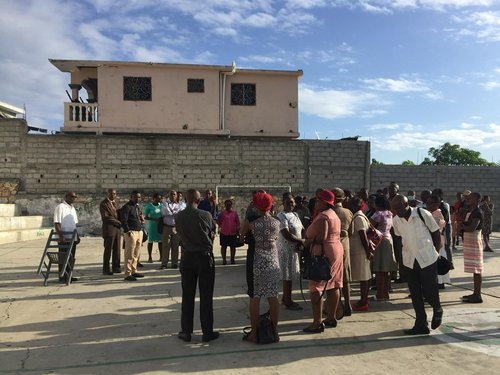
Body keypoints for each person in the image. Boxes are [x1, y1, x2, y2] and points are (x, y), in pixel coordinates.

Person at [391, 194, 443, 335]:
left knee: (429, 290)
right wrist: (400, 261)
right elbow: (398, 239)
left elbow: (436, 233)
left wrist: (436, 254)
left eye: (399, 208)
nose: (396, 211)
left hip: (427, 258)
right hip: (409, 260)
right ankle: (421, 323)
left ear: (406, 205)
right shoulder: (396, 220)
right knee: (415, 293)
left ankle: (437, 308)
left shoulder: (422, 214)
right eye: (394, 209)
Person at [174, 189, 218, 343]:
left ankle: (186, 331)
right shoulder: (205, 215)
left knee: (187, 296)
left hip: (187, 256)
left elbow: (179, 234)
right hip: (204, 257)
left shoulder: (178, 216)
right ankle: (207, 332)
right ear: (198, 200)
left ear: (185, 200)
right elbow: (212, 232)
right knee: (206, 296)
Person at [240, 192, 281, 343]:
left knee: (255, 297)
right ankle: (275, 332)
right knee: (273, 297)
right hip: (272, 261)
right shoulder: (276, 221)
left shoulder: (251, 221)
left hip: (255, 260)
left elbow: (241, 237)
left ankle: (254, 334)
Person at [302, 189, 343, 333]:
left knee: (316, 286)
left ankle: (317, 322)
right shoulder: (333, 215)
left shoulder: (323, 216)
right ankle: (331, 317)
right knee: (333, 285)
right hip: (335, 249)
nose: (316, 203)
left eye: (318, 200)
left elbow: (321, 238)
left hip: (324, 253)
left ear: (324, 202)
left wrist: (307, 241)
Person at [277, 194, 304, 310]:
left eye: (292, 202)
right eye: (287, 202)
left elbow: (301, 230)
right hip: (285, 250)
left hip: (294, 250)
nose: (290, 204)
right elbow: (286, 234)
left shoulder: (295, 214)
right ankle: (288, 301)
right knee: (287, 276)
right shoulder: (281, 216)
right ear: (283, 203)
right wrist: (302, 241)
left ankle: (286, 297)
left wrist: (300, 242)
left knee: (291, 275)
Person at [370, 196, 397, 300]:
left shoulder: (378, 214)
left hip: (380, 241)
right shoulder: (389, 213)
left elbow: (369, 225)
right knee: (386, 270)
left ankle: (380, 294)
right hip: (389, 240)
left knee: (379, 270)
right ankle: (386, 293)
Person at [332, 187, 354, 315]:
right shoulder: (348, 212)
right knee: (346, 278)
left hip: (331, 247)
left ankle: (334, 306)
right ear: (344, 198)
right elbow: (351, 232)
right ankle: (348, 304)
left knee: (333, 278)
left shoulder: (327, 212)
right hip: (345, 245)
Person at [348, 197, 373, 311]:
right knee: (366, 276)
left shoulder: (358, 217)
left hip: (360, 251)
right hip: (362, 250)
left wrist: (368, 252)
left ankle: (363, 302)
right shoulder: (361, 215)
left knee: (364, 277)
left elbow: (363, 236)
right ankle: (364, 299)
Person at [460, 192, 484, 303]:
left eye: (471, 198)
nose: (468, 199)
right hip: (470, 243)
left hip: (474, 243)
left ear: (477, 200)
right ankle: (475, 293)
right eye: (468, 198)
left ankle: (478, 295)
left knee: (477, 270)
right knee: (475, 270)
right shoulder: (471, 212)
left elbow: (471, 228)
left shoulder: (478, 213)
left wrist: (462, 226)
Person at [54, 191, 79, 283]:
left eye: (75, 197)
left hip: (72, 237)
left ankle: (69, 275)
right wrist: (60, 236)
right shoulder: (60, 207)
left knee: (71, 257)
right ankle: (62, 276)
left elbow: (74, 224)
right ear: (66, 197)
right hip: (64, 237)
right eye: (72, 197)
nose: (73, 199)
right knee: (63, 257)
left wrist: (77, 236)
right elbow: (57, 223)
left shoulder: (73, 208)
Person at [426, 194, 450, 289]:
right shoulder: (431, 213)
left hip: (436, 243)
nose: (427, 205)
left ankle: (435, 284)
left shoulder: (437, 215)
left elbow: (435, 231)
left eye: (430, 203)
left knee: (435, 264)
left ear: (436, 204)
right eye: (427, 203)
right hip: (433, 242)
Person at [120, 191, 145, 282]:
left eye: (139, 197)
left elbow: (139, 217)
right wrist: (127, 231)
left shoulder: (137, 207)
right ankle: (127, 273)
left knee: (136, 254)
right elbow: (124, 220)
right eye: (135, 197)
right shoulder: (126, 207)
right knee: (129, 254)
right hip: (131, 233)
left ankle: (134, 270)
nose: (137, 199)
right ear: (131, 197)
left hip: (139, 232)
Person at [99, 189, 121, 275]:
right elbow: (106, 217)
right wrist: (118, 222)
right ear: (107, 194)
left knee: (117, 248)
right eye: (111, 194)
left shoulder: (116, 202)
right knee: (108, 249)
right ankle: (106, 269)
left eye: (114, 194)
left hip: (117, 229)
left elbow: (119, 214)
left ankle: (116, 267)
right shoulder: (104, 204)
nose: (113, 195)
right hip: (109, 228)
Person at [160, 190, 181, 269]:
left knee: (175, 246)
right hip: (167, 227)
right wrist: (174, 213)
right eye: (171, 194)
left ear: (176, 196)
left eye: (174, 194)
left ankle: (174, 263)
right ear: (169, 195)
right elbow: (166, 213)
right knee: (166, 246)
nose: (173, 196)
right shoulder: (165, 204)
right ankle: (164, 263)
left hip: (175, 228)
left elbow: (179, 214)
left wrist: (173, 213)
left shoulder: (179, 205)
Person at [217, 199, 240, 265]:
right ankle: (224, 260)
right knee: (224, 247)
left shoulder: (234, 213)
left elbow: (237, 222)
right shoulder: (222, 213)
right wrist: (222, 226)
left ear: (231, 205)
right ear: (225, 205)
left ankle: (232, 259)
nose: (228, 206)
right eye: (227, 204)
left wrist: (237, 230)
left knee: (233, 247)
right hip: (224, 232)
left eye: (229, 204)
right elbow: (218, 221)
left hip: (233, 232)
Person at [144, 193, 163, 263]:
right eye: (157, 198)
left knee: (160, 241)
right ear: (153, 198)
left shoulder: (161, 206)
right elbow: (145, 216)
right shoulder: (149, 206)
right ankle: (149, 257)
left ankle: (161, 256)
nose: (158, 199)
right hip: (152, 226)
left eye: (160, 198)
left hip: (160, 226)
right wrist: (153, 219)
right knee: (150, 241)